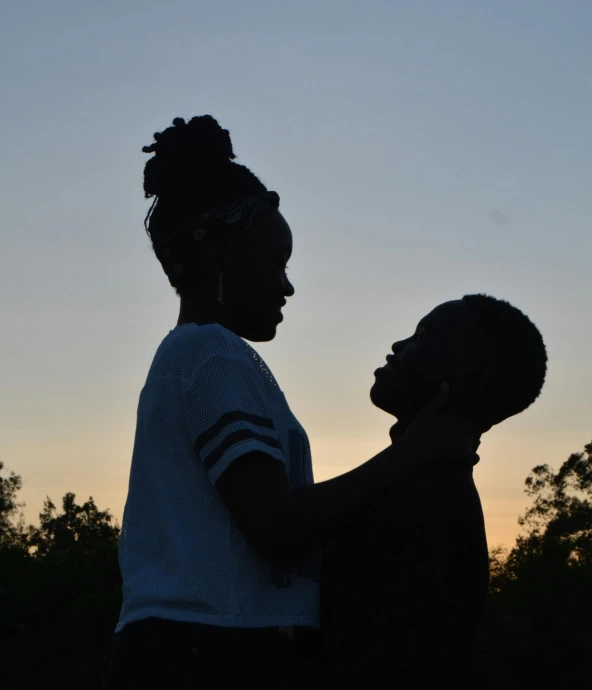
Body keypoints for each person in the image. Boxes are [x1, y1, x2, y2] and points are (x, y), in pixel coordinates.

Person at [101, 115, 479, 690]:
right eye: (276, 263)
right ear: (219, 262)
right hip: (206, 655)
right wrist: (413, 454)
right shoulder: (211, 355)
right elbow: (276, 525)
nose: (287, 286)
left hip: (193, 649)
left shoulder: (203, 357)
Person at [321, 295, 548, 689]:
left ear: (469, 380)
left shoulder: (415, 508)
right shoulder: (429, 493)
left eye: (422, 337)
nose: (398, 345)